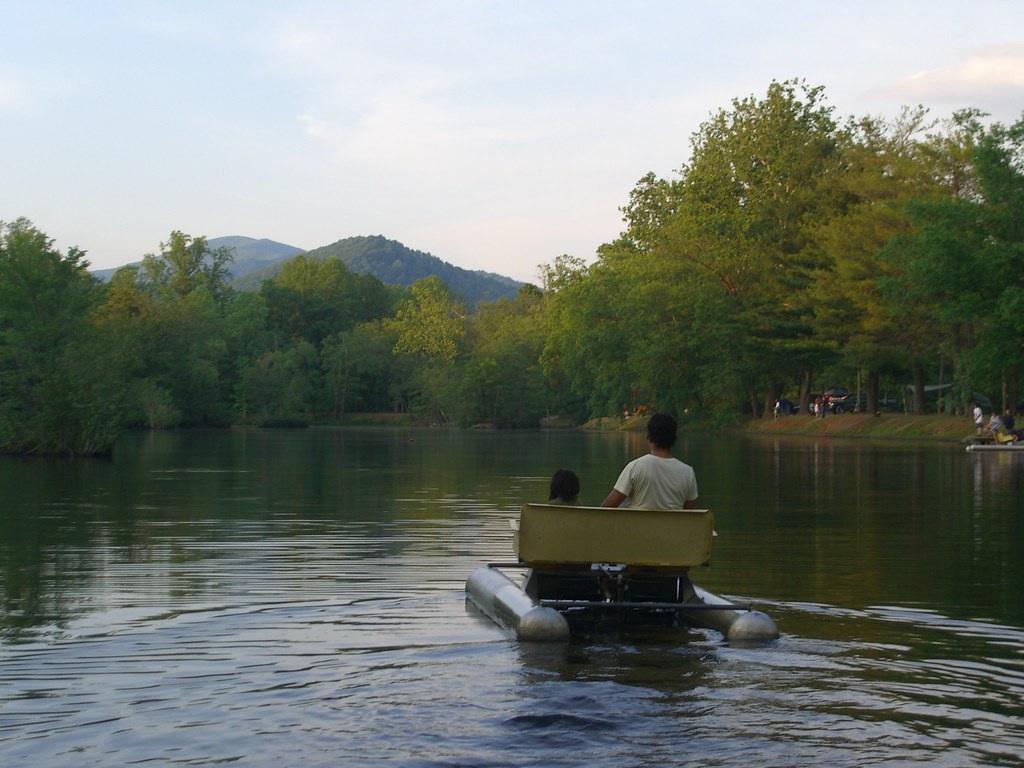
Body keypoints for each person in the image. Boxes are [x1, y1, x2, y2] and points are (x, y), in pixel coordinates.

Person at [601, 412, 697, 509]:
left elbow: (606, 508)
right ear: (674, 438)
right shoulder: (687, 472)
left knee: (624, 502)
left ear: (649, 436)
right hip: (673, 520)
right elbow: (690, 513)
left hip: (638, 520)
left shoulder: (635, 467)